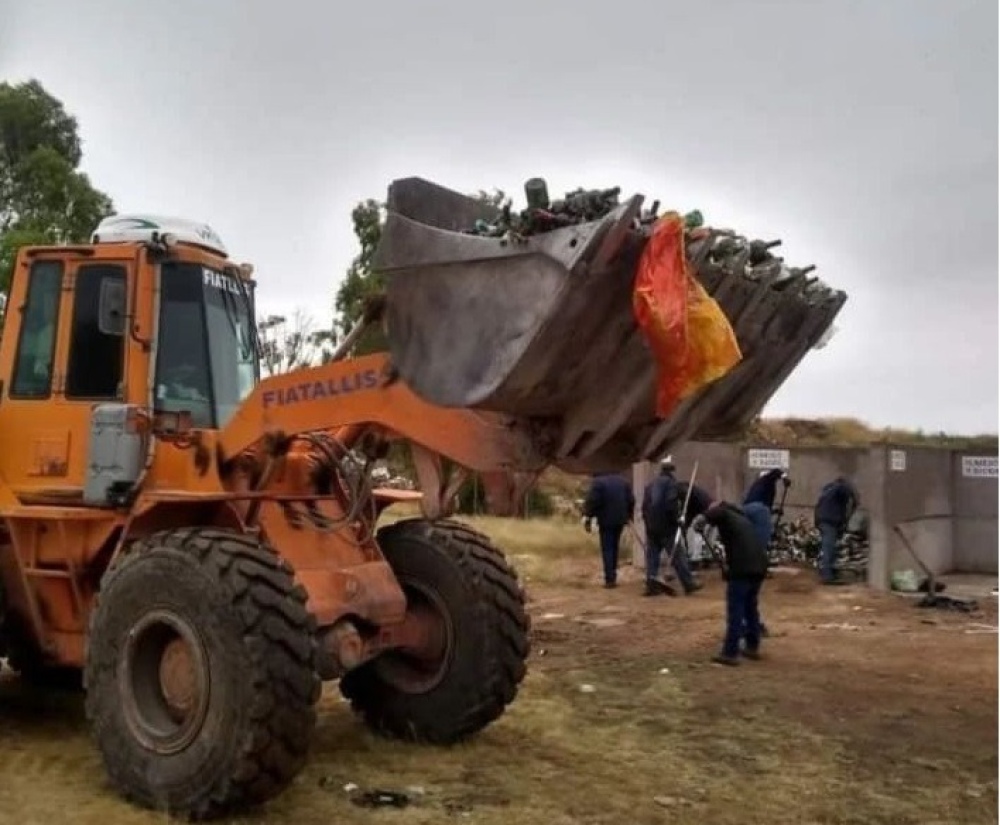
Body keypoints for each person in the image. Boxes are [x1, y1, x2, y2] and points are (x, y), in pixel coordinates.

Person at [691, 499, 770, 666]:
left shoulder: (724, 512)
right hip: (759, 566)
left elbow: (716, 512)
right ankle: (752, 646)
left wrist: (702, 518)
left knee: (736, 609)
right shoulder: (742, 518)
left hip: (743, 567)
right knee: (750, 607)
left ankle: (730, 652)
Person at [641, 458, 702, 597]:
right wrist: (678, 518)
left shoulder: (650, 485)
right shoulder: (671, 485)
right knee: (677, 555)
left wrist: (648, 522)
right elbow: (670, 504)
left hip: (651, 527)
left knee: (652, 557)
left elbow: (644, 507)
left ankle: (651, 585)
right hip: (667, 527)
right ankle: (688, 583)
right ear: (671, 471)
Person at [582, 472, 635, 588]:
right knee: (615, 547)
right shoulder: (623, 481)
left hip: (605, 520)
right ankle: (613, 576)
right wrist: (629, 515)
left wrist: (588, 518)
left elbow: (592, 501)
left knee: (607, 548)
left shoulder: (598, 483)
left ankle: (610, 579)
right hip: (620, 519)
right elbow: (631, 500)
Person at [813, 476, 860, 585]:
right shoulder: (839, 488)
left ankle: (829, 572)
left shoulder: (827, 490)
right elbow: (846, 491)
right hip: (829, 521)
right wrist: (854, 496)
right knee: (828, 548)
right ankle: (827, 575)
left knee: (829, 547)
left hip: (823, 520)